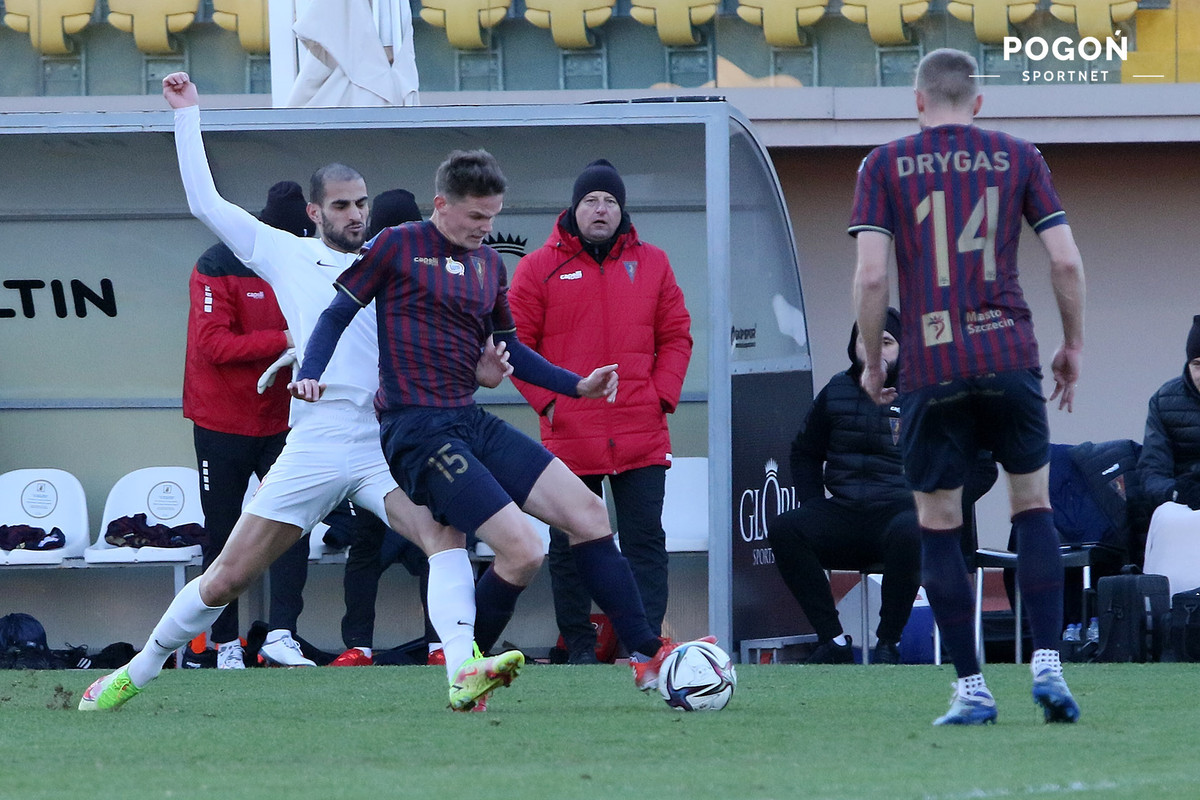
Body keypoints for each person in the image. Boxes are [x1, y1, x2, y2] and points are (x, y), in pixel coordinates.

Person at [80, 72, 516, 714]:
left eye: (361, 203)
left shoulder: (394, 256)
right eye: (340, 205)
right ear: (315, 213)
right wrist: (187, 114)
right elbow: (205, 202)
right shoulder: (283, 252)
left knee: (442, 536)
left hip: (383, 440)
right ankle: (136, 670)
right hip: (315, 440)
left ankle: (461, 672)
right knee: (226, 578)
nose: (355, 214)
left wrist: (482, 366)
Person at [291, 148, 714, 694]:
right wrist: (311, 374)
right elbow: (336, 315)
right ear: (442, 205)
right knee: (523, 550)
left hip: (468, 420)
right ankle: (469, 669)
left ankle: (646, 654)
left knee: (587, 514)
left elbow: (511, 348)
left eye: (492, 216)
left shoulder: (489, 265)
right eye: (475, 216)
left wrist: (577, 385)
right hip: (416, 430)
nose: (485, 228)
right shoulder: (398, 245)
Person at [849, 48, 1086, 725]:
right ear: (977, 102)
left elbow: (872, 276)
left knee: (938, 525)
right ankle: (1048, 664)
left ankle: (973, 689)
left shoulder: (882, 164)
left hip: (932, 364)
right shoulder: (1019, 156)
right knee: (1032, 509)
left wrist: (874, 362)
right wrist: (1072, 343)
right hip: (1008, 352)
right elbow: (1065, 261)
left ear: (918, 101)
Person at [507, 159, 693, 664]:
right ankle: (579, 647)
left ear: (621, 210)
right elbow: (514, 346)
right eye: (591, 200)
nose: (601, 209)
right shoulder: (537, 267)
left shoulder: (653, 262)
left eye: (610, 201)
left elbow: (677, 335)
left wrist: (659, 397)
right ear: (574, 207)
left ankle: (645, 649)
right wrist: (550, 403)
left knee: (644, 541)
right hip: (570, 430)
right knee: (570, 544)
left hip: (641, 429)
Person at [770, 310, 997, 666]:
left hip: (899, 515)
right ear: (853, 346)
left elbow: (982, 465)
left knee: (912, 529)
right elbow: (804, 453)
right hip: (844, 513)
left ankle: (888, 643)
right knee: (785, 529)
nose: (875, 350)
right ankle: (832, 641)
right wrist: (813, 503)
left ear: (904, 348)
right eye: (866, 340)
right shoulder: (836, 391)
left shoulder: (928, 394)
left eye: (887, 342)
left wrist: (941, 507)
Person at [183, 179, 316, 670]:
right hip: (220, 422)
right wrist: (284, 338)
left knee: (291, 527)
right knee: (222, 533)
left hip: (282, 420)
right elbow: (214, 345)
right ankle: (225, 645)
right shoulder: (218, 263)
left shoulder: (303, 261)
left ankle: (282, 635)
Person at [327, 188, 439, 668]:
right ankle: (360, 645)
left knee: (437, 537)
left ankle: (440, 643)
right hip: (373, 431)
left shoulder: (434, 282)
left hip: (420, 427)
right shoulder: (361, 279)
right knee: (369, 541)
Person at [1138, 314, 1200, 596]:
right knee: (1167, 518)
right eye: (1197, 365)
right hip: (1183, 504)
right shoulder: (1164, 401)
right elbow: (1151, 473)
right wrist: (1178, 492)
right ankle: (1169, 610)